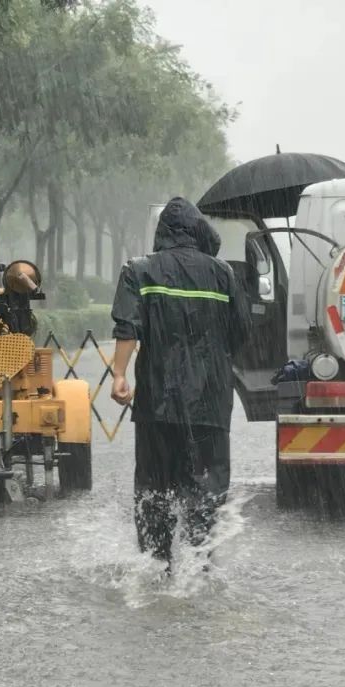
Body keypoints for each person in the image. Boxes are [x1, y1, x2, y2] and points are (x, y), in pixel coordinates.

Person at [110, 197, 251, 569]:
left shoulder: (139, 271)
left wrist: (120, 374)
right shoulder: (224, 275)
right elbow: (240, 334)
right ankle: (197, 566)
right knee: (205, 491)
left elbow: (127, 326)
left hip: (158, 402)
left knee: (154, 490)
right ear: (199, 231)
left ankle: (156, 568)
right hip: (210, 403)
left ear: (162, 234)